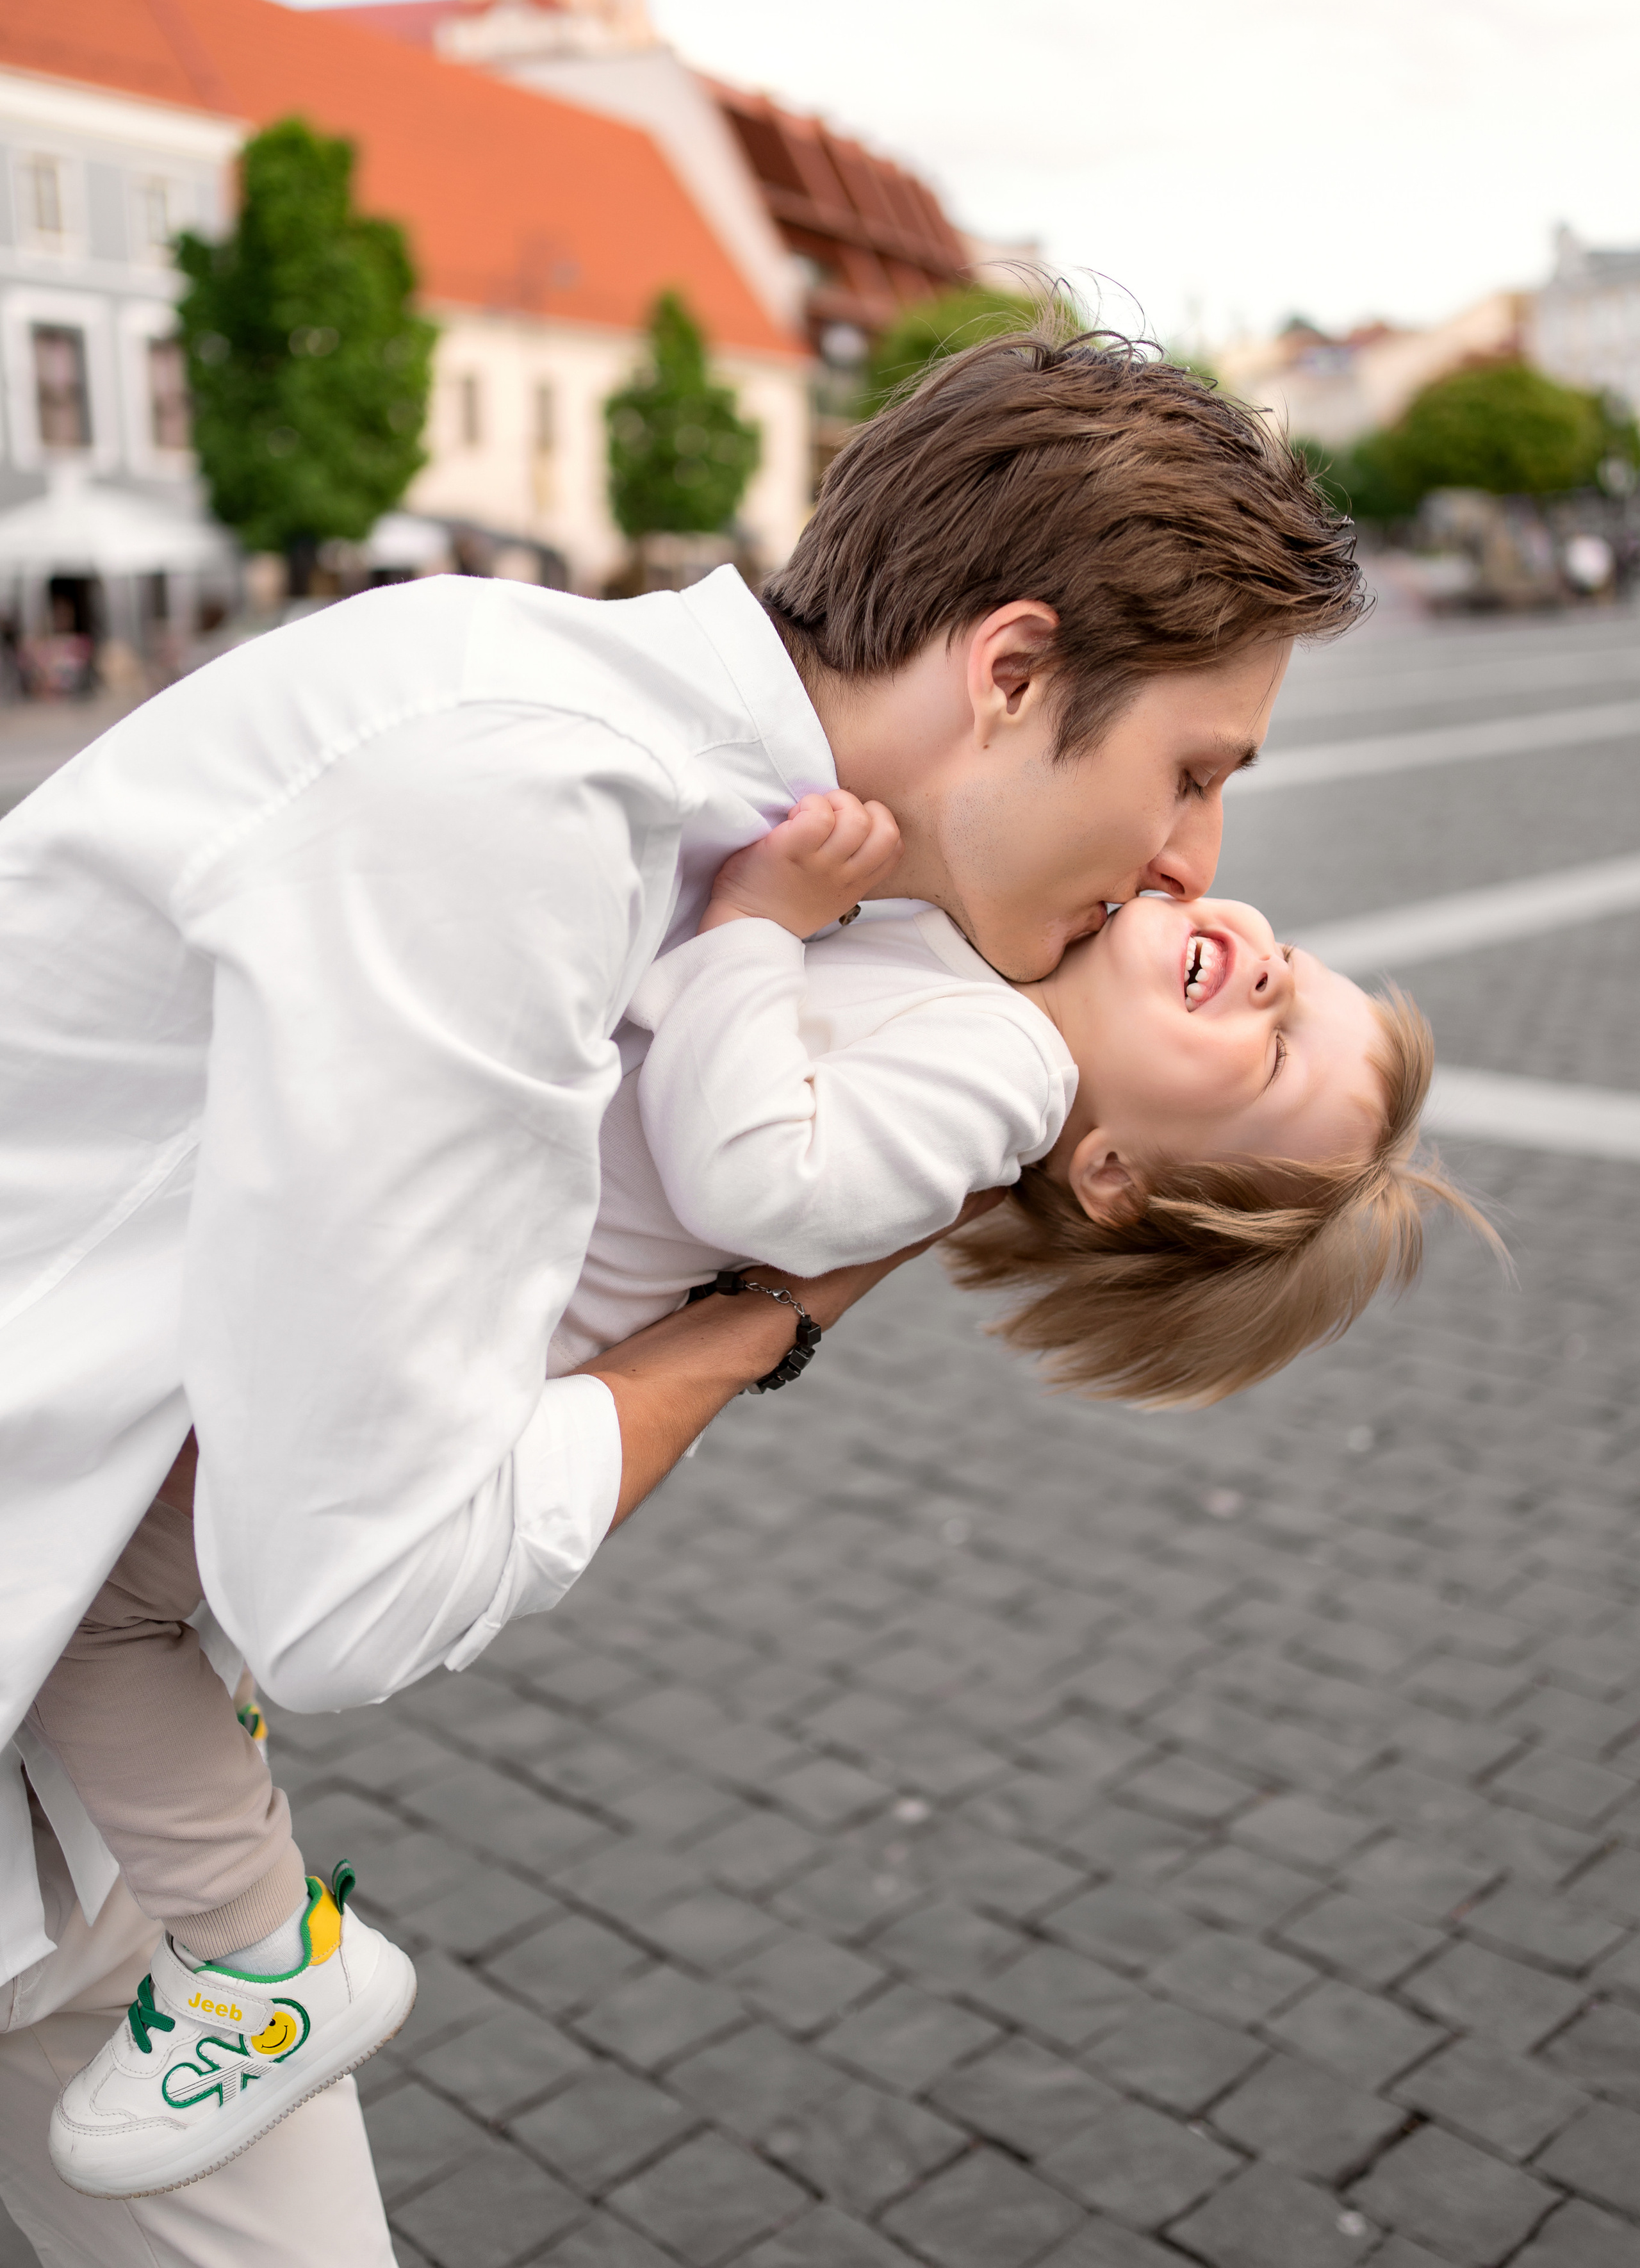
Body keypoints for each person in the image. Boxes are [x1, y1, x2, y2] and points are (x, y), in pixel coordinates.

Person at [0, 333, 1362, 2262]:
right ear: (1012, 670)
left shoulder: (733, 842)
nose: (1195, 859)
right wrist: (760, 1327)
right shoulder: (517, 810)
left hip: (95, 1798)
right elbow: (351, 1597)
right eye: (1192, 770)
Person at [33, 782, 1481, 2206]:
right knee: (145, 1597)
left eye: (1278, 1044)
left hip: (414, 1369)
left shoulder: (1007, 1074)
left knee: (102, 1619)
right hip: (407, 1317)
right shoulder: (982, 985)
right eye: (1303, 970)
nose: (1275, 969)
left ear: (1108, 1175)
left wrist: (753, 921)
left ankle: (262, 1954)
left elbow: (754, 1179)